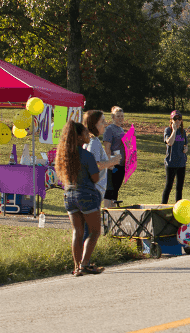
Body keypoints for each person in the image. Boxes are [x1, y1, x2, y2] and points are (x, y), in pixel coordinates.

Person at [55, 121, 104, 276]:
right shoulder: (87, 155)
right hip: (87, 195)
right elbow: (95, 178)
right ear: (78, 137)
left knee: (77, 231)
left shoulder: (64, 156)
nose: (87, 135)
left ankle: (77, 268)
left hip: (69, 195)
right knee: (95, 232)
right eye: (84, 133)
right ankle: (85, 264)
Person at [82, 110, 122, 201]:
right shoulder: (94, 142)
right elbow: (94, 165)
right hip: (92, 191)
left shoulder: (90, 140)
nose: (106, 123)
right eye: (102, 121)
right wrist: (112, 161)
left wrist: (110, 163)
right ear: (94, 124)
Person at [161, 110, 188, 204]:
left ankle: (178, 208)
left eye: (179, 119)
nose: (177, 120)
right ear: (171, 120)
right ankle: (162, 207)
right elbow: (170, 142)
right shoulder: (168, 130)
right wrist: (175, 130)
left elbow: (186, 145)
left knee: (179, 188)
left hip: (181, 163)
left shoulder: (183, 132)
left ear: (181, 120)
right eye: (175, 118)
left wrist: (186, 149)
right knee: (168, 186)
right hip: (171, 163)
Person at [103, 106, 126, 208]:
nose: (120, 118)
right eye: (118, 116)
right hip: (113, 164)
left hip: (121, 164)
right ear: (113, 117)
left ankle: (113, 214)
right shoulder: (109, 129)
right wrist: (109, 163)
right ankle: (107, 212)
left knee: (116, 188)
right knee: (110, 189)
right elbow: (107, 147)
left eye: (122, 116)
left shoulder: (121, 129)